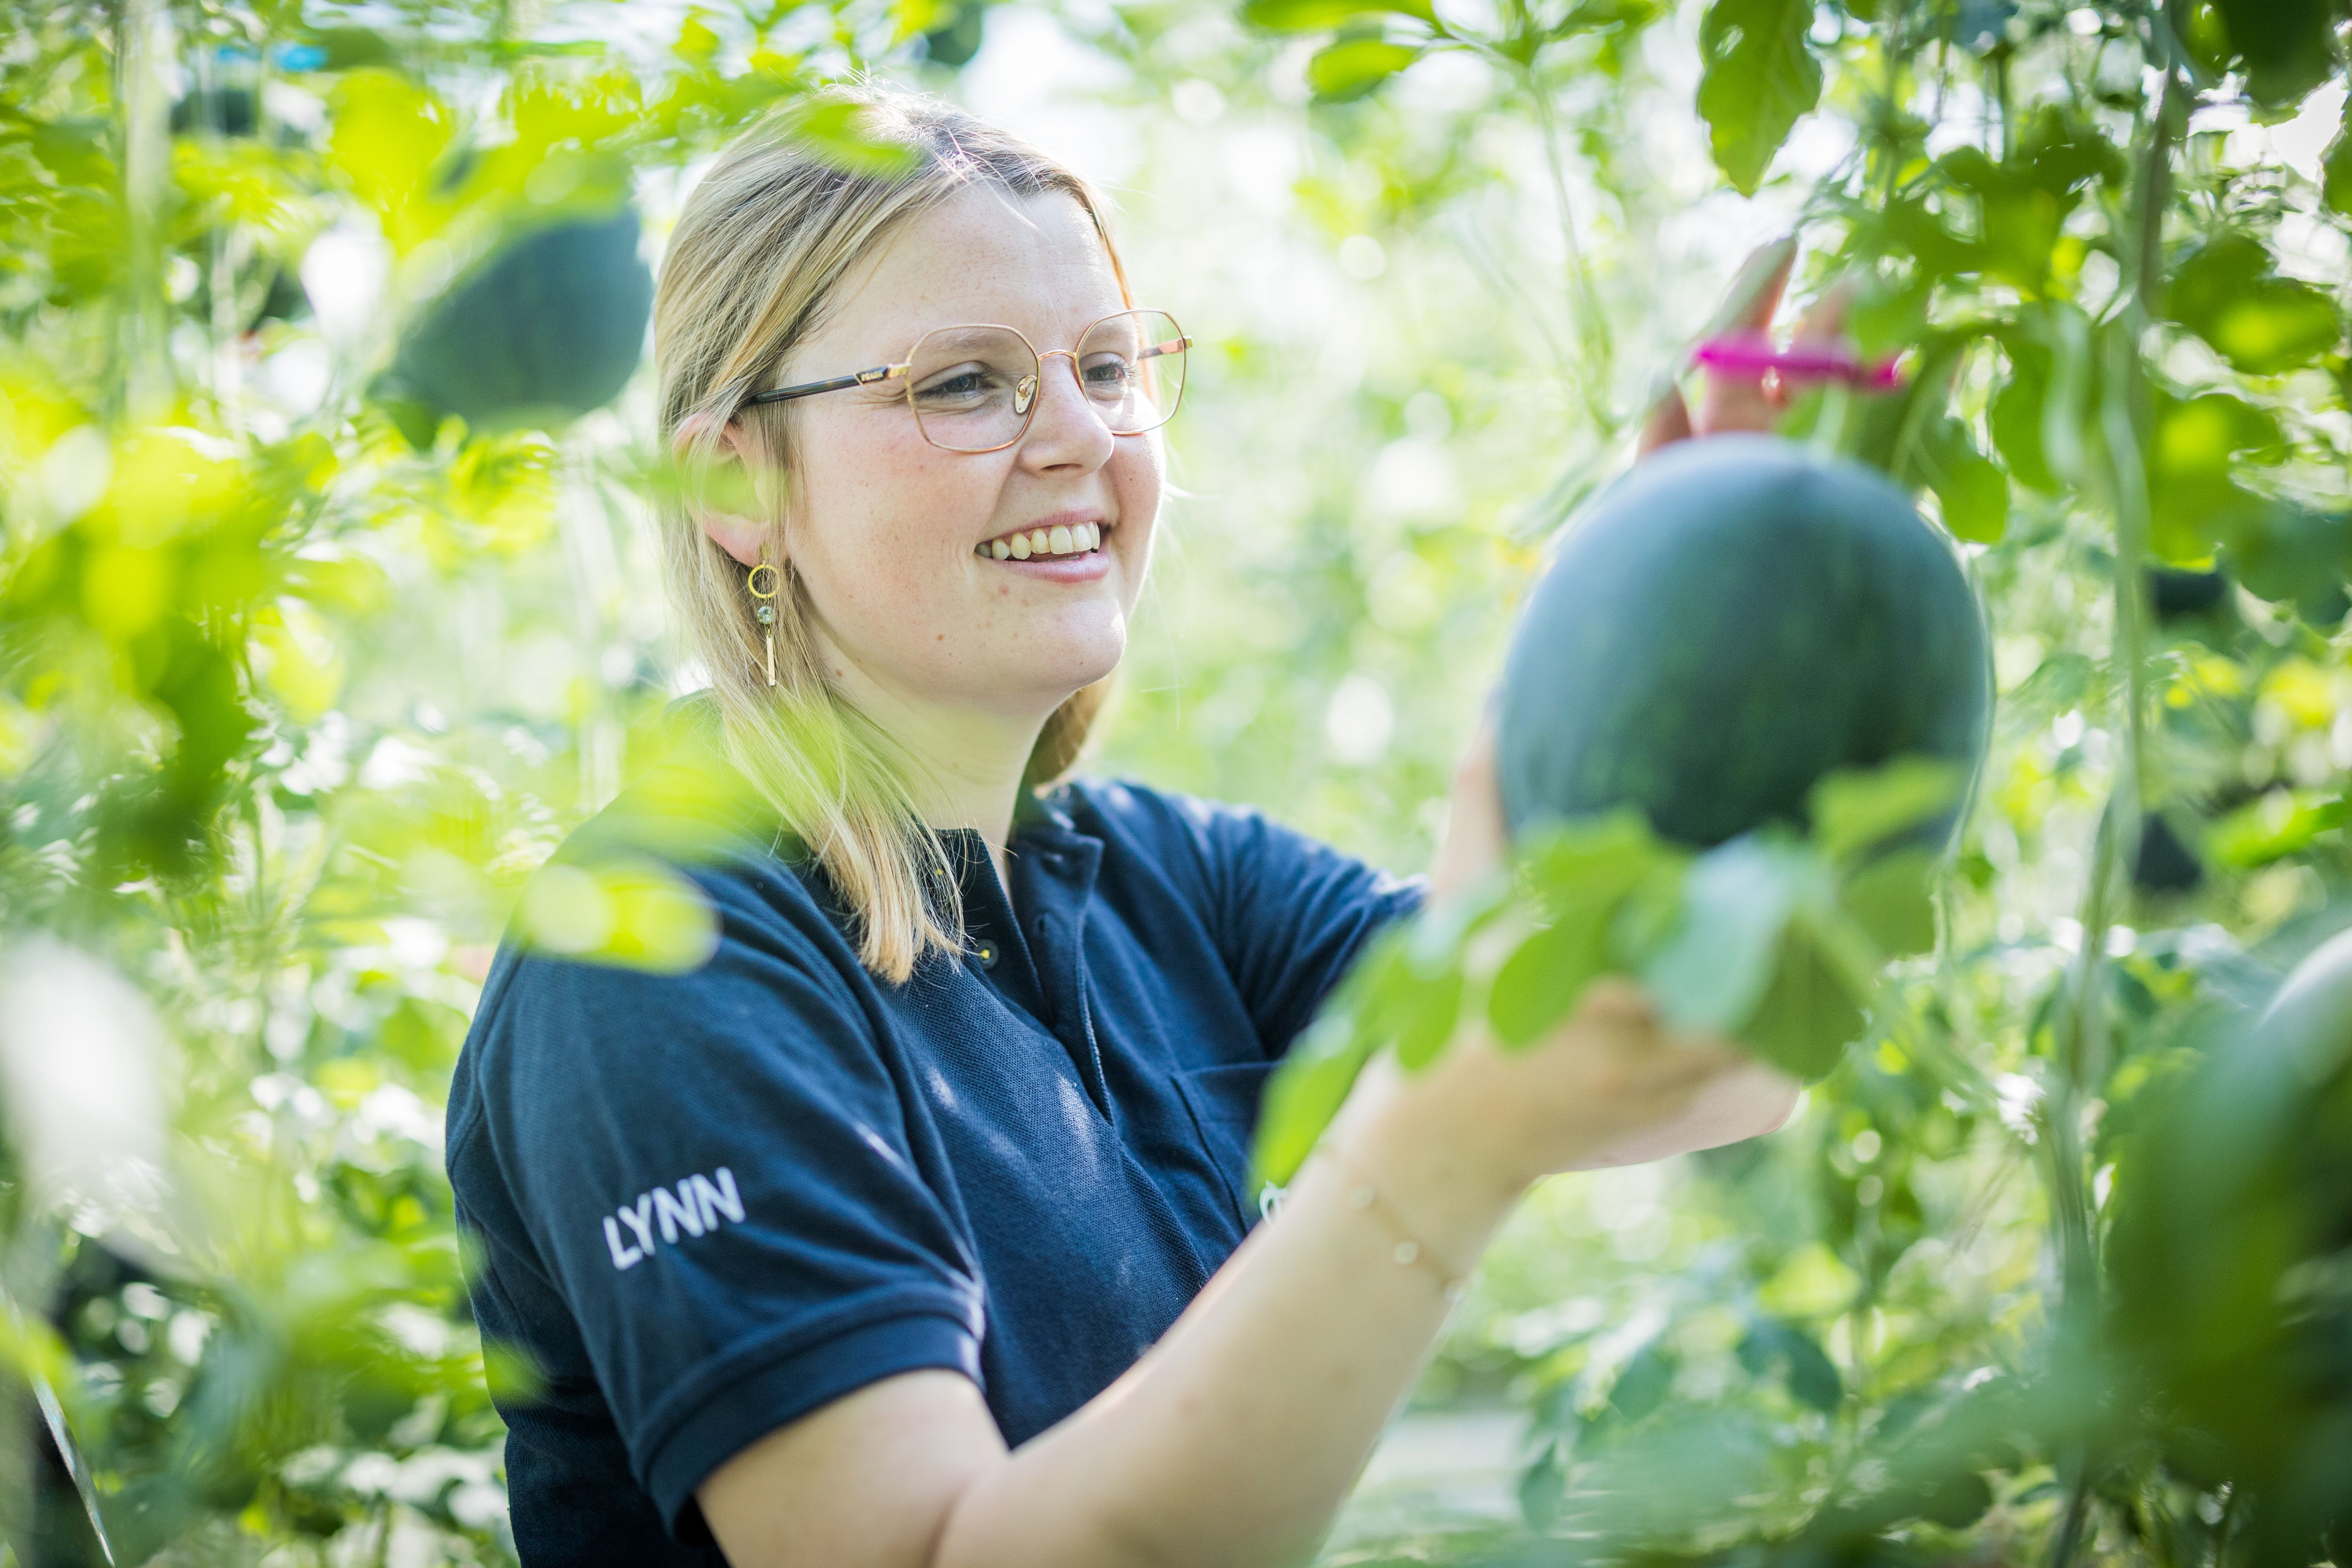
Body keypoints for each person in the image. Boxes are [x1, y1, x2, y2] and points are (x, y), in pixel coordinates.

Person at [445, 83, 1811, 1568]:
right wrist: (1435, 1147)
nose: (1080, 434)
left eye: (1107, 364)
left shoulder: (1185, 887)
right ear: (733, 478)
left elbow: (1719, 1052)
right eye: (965, 382)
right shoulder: (657, 958)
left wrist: (1705, 644)